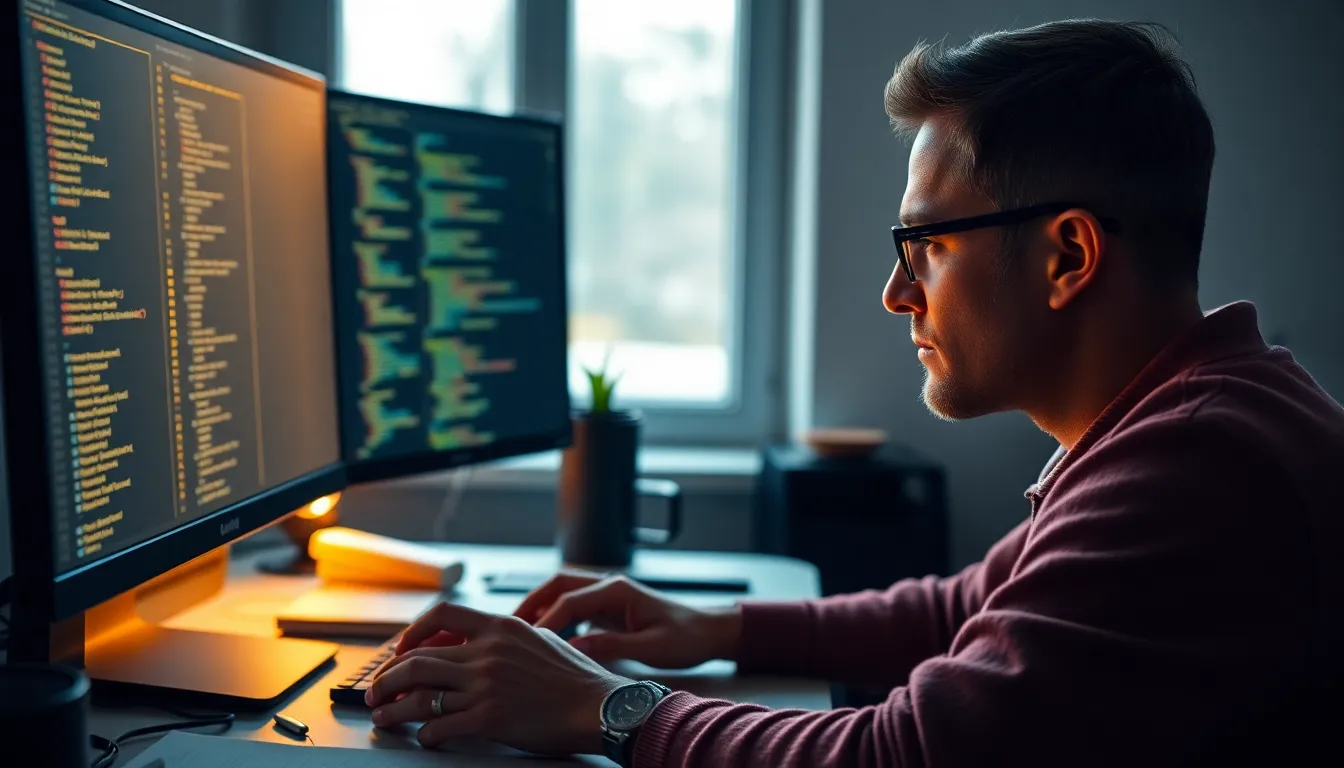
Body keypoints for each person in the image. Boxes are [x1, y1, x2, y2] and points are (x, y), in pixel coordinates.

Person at [364, 19, 1344, 766]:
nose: (896, 292)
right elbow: (974, 602)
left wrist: (608, 705)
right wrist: (719, 627)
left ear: (1068, 255)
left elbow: (900, 754)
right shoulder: (1195, 413)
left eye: (927, 245)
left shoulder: (1201, 466)